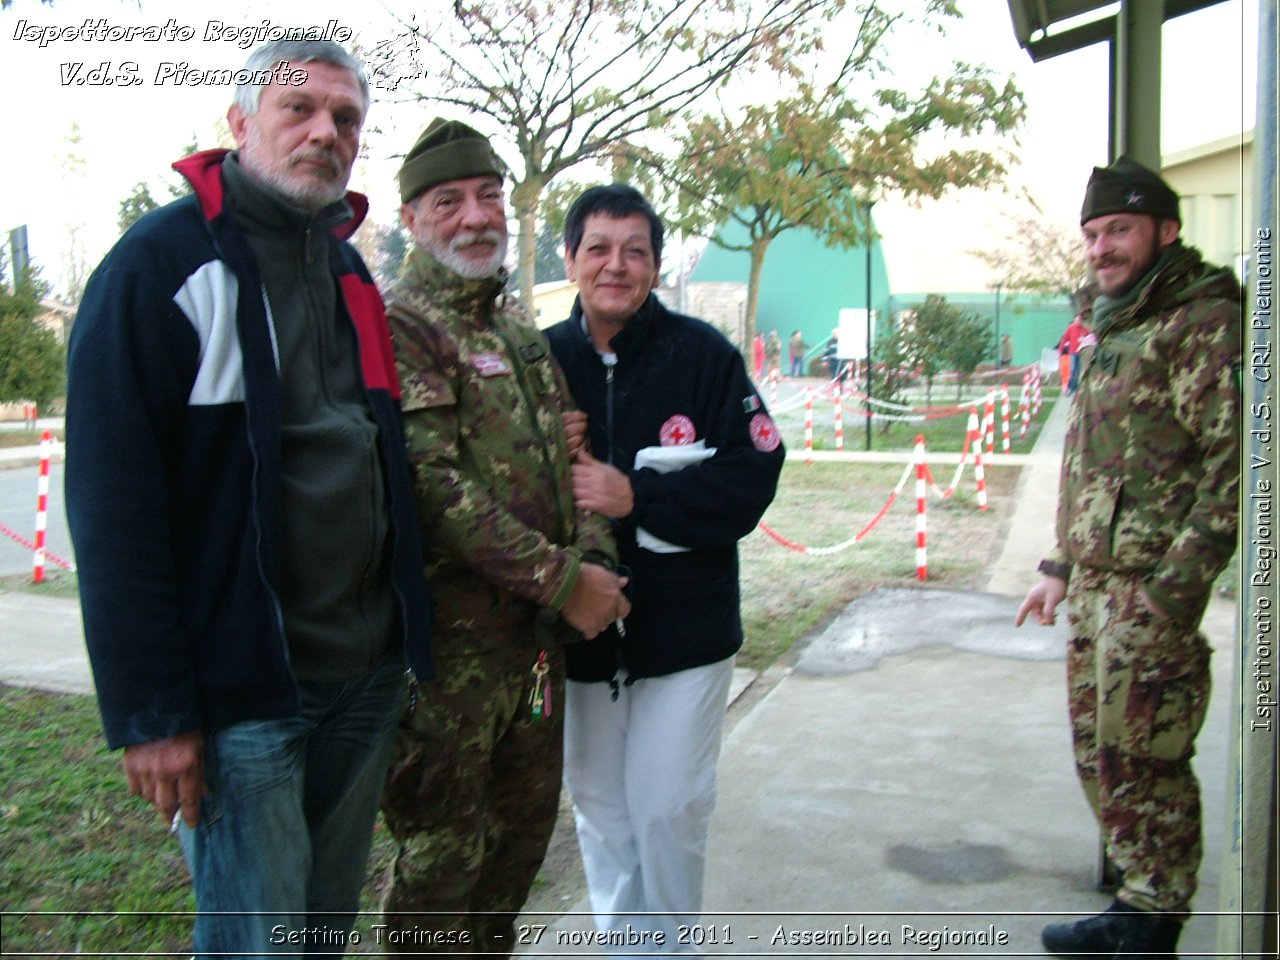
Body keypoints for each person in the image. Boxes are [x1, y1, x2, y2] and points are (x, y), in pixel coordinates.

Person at [64, 40, 434, 955]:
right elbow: (113, 508)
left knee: (319, 937)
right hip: (245, 701)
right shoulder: (159, 269)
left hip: (364, 681)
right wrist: (152, 714)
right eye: (298, 110)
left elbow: (381, 460)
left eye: (347, 119)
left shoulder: (352, 279)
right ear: (239, 125)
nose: (325, 133)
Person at [378, 119, 630, 956]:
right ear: (411, 218)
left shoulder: (520, 333)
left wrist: (595, 559)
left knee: (516, 851)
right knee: (442, 866)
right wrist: (570, 584)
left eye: (489, 197)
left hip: (532, 659)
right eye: (448, 202)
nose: (475, 217)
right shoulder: (401, 326)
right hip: (448, 668)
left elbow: (574, 459)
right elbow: (429, 488)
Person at [545, 183, 785, 952]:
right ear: (571, 259)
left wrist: (634, 495)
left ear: (655, 263)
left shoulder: (704, 357)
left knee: (668, 805)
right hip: (583, 637)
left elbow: (753, 477)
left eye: (635, 251)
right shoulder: (538, 362)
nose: (616, 265)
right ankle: (627, 946)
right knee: (601, 809)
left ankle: (670, 946)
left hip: (686, 633)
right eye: (599, 249)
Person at [1016, 156, 1241, 959]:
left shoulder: (1200, 321)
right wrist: (1059, 566)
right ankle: (1135, 904)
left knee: (1151, 760)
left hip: (1151, 592)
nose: (1102, 247)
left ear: (1165, 232)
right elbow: (1093, 464)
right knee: (1102, 758)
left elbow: (1234, 469)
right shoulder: (1118, 321)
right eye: (1093, 233)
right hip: (1096, 590)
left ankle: (1157, 918)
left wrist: (1172, 595)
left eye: (1120, 230)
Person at [1057, 312, 1093, 393]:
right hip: (1072, 352)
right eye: (1077, 320)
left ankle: (1075, 386)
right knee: (1073, 369)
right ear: (1075, 320)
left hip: (1080, 352)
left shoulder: (1084, 329)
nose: (1078, 321)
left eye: (1080, 320)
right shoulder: (1071, 328)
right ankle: (1070, 386)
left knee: (1078, 370)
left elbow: (1090, 337)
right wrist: (1060, 349)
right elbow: (1065, 339)